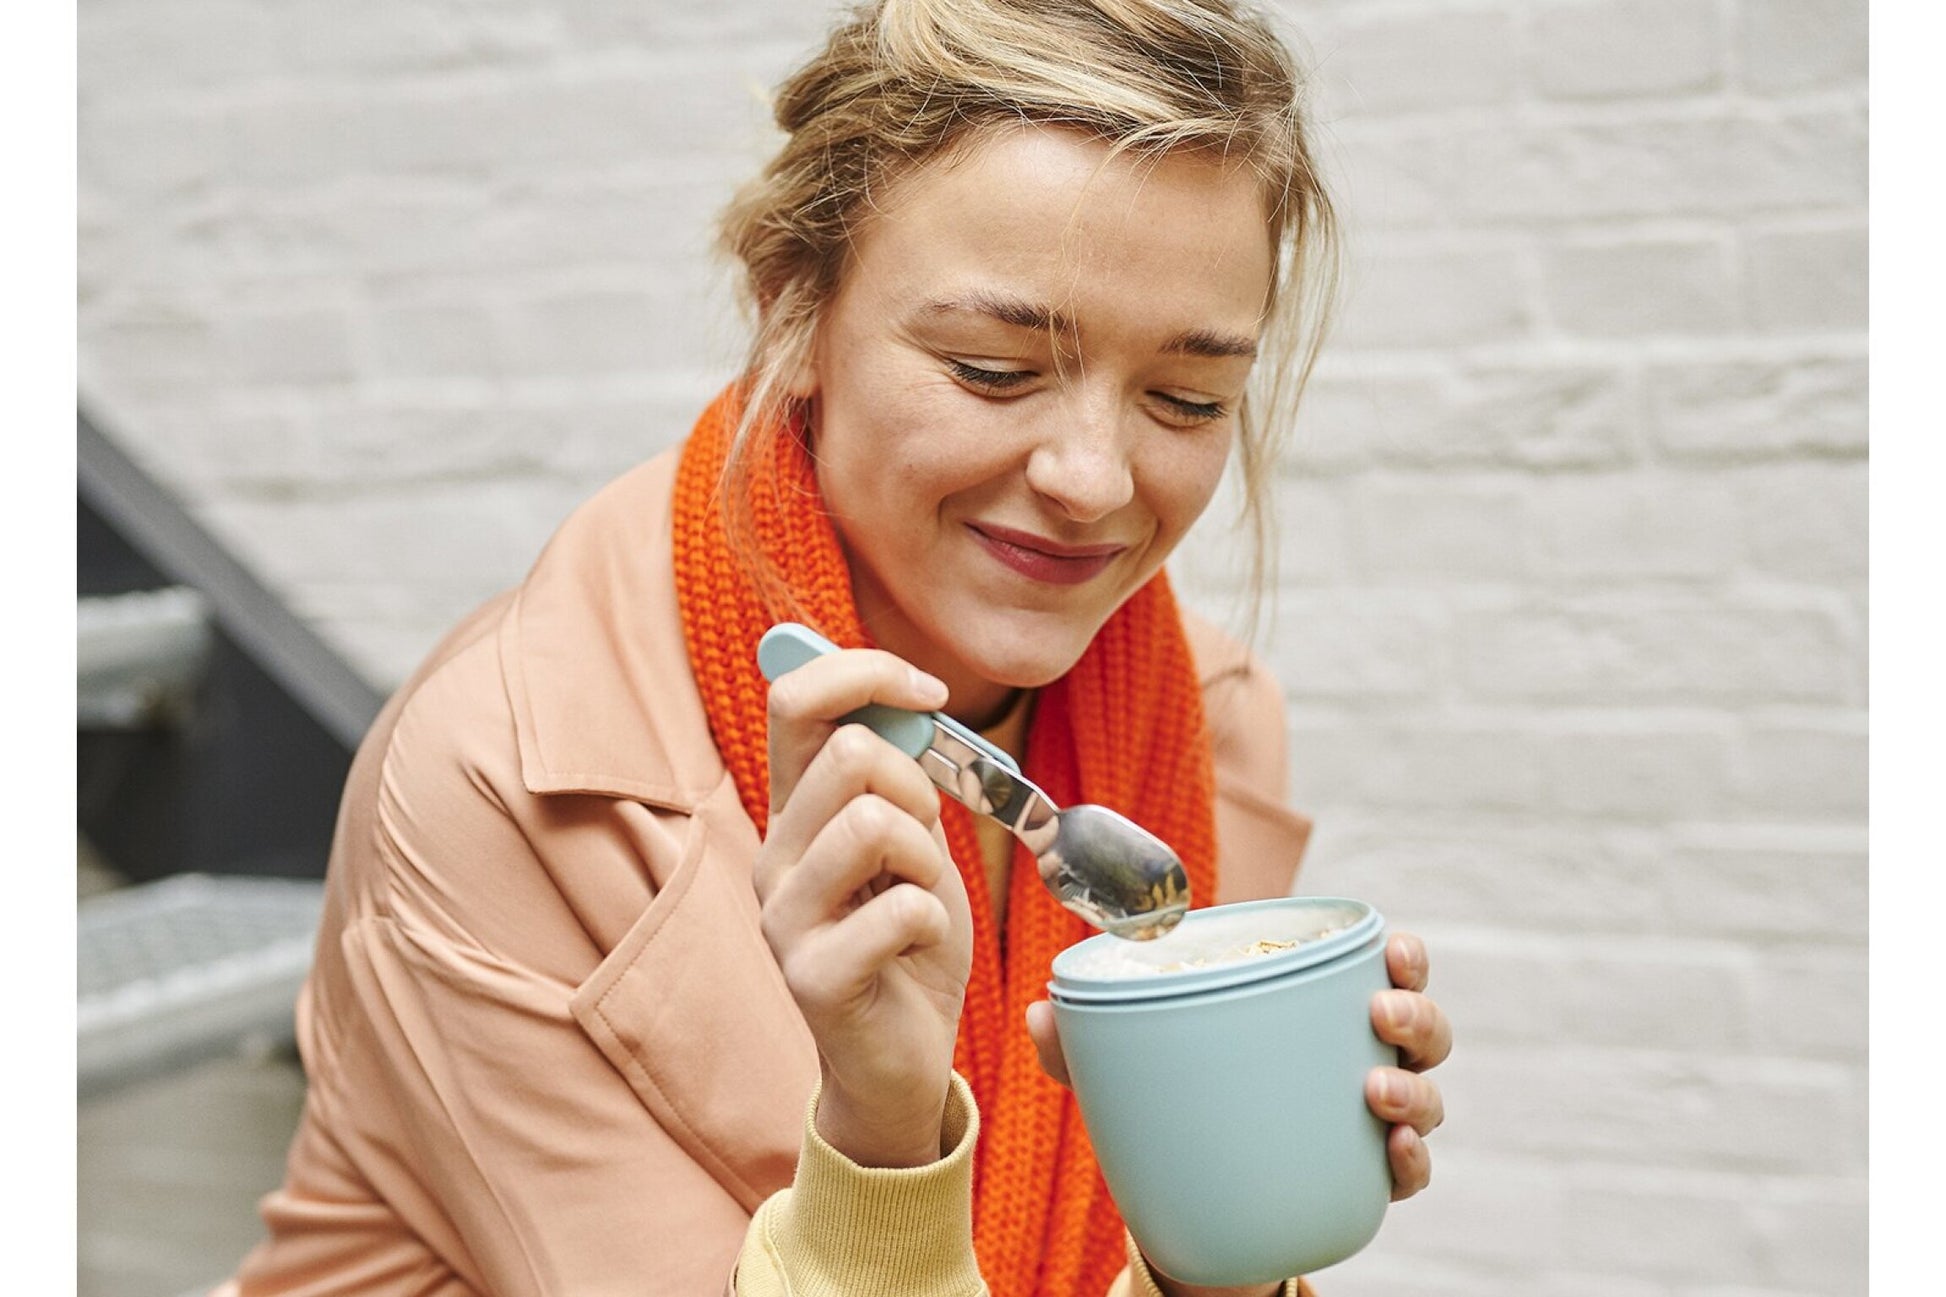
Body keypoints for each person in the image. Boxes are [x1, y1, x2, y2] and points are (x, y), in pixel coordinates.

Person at [219, 2, 1451, 1295]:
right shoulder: (502, 776)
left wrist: (1235, 1228)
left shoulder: (1205, 726)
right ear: (791, 315)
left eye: (1187, 399)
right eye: (991, 369)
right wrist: (881, 1134)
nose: (1093, 479)